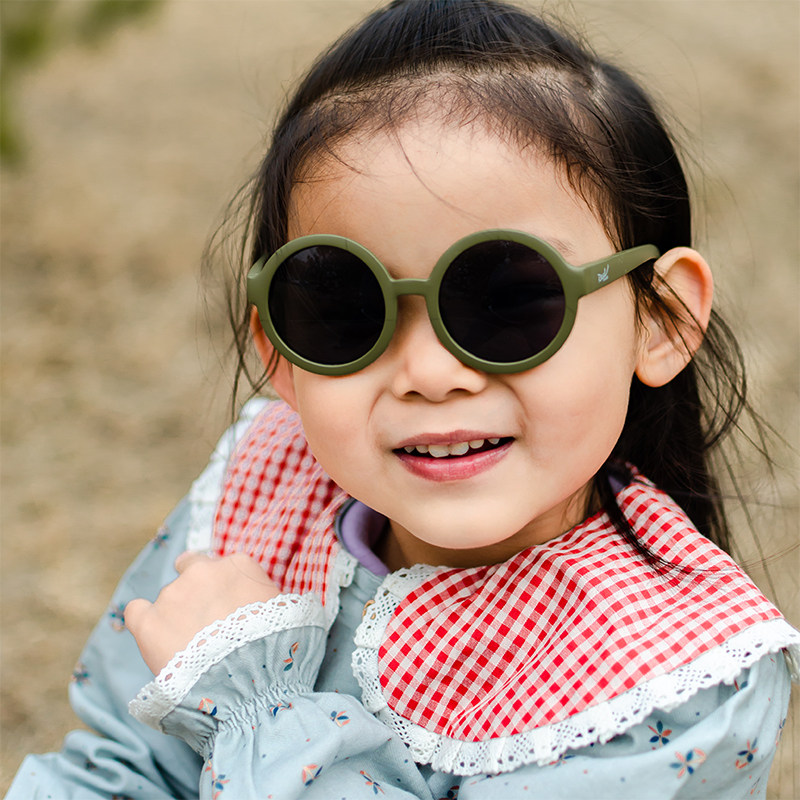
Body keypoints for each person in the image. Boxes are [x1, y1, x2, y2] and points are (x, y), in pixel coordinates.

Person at [7, 1, 799, 797]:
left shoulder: (674, 683)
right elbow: (118, 767)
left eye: (509, 299)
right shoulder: (259, 499)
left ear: (660, 321)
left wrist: (254, 704)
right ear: (278, 355)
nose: (428, 371)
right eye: (344, 307)